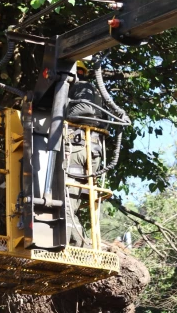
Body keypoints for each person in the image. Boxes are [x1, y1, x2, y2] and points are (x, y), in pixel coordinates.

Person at [64, 60, 105, 247]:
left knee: (66, 199)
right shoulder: (95, 93)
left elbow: (81, 109)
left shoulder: (75, 88)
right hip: (92, 148)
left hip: (77, 147)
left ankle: (73, 244)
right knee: (75, 199)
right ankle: (80, 241)